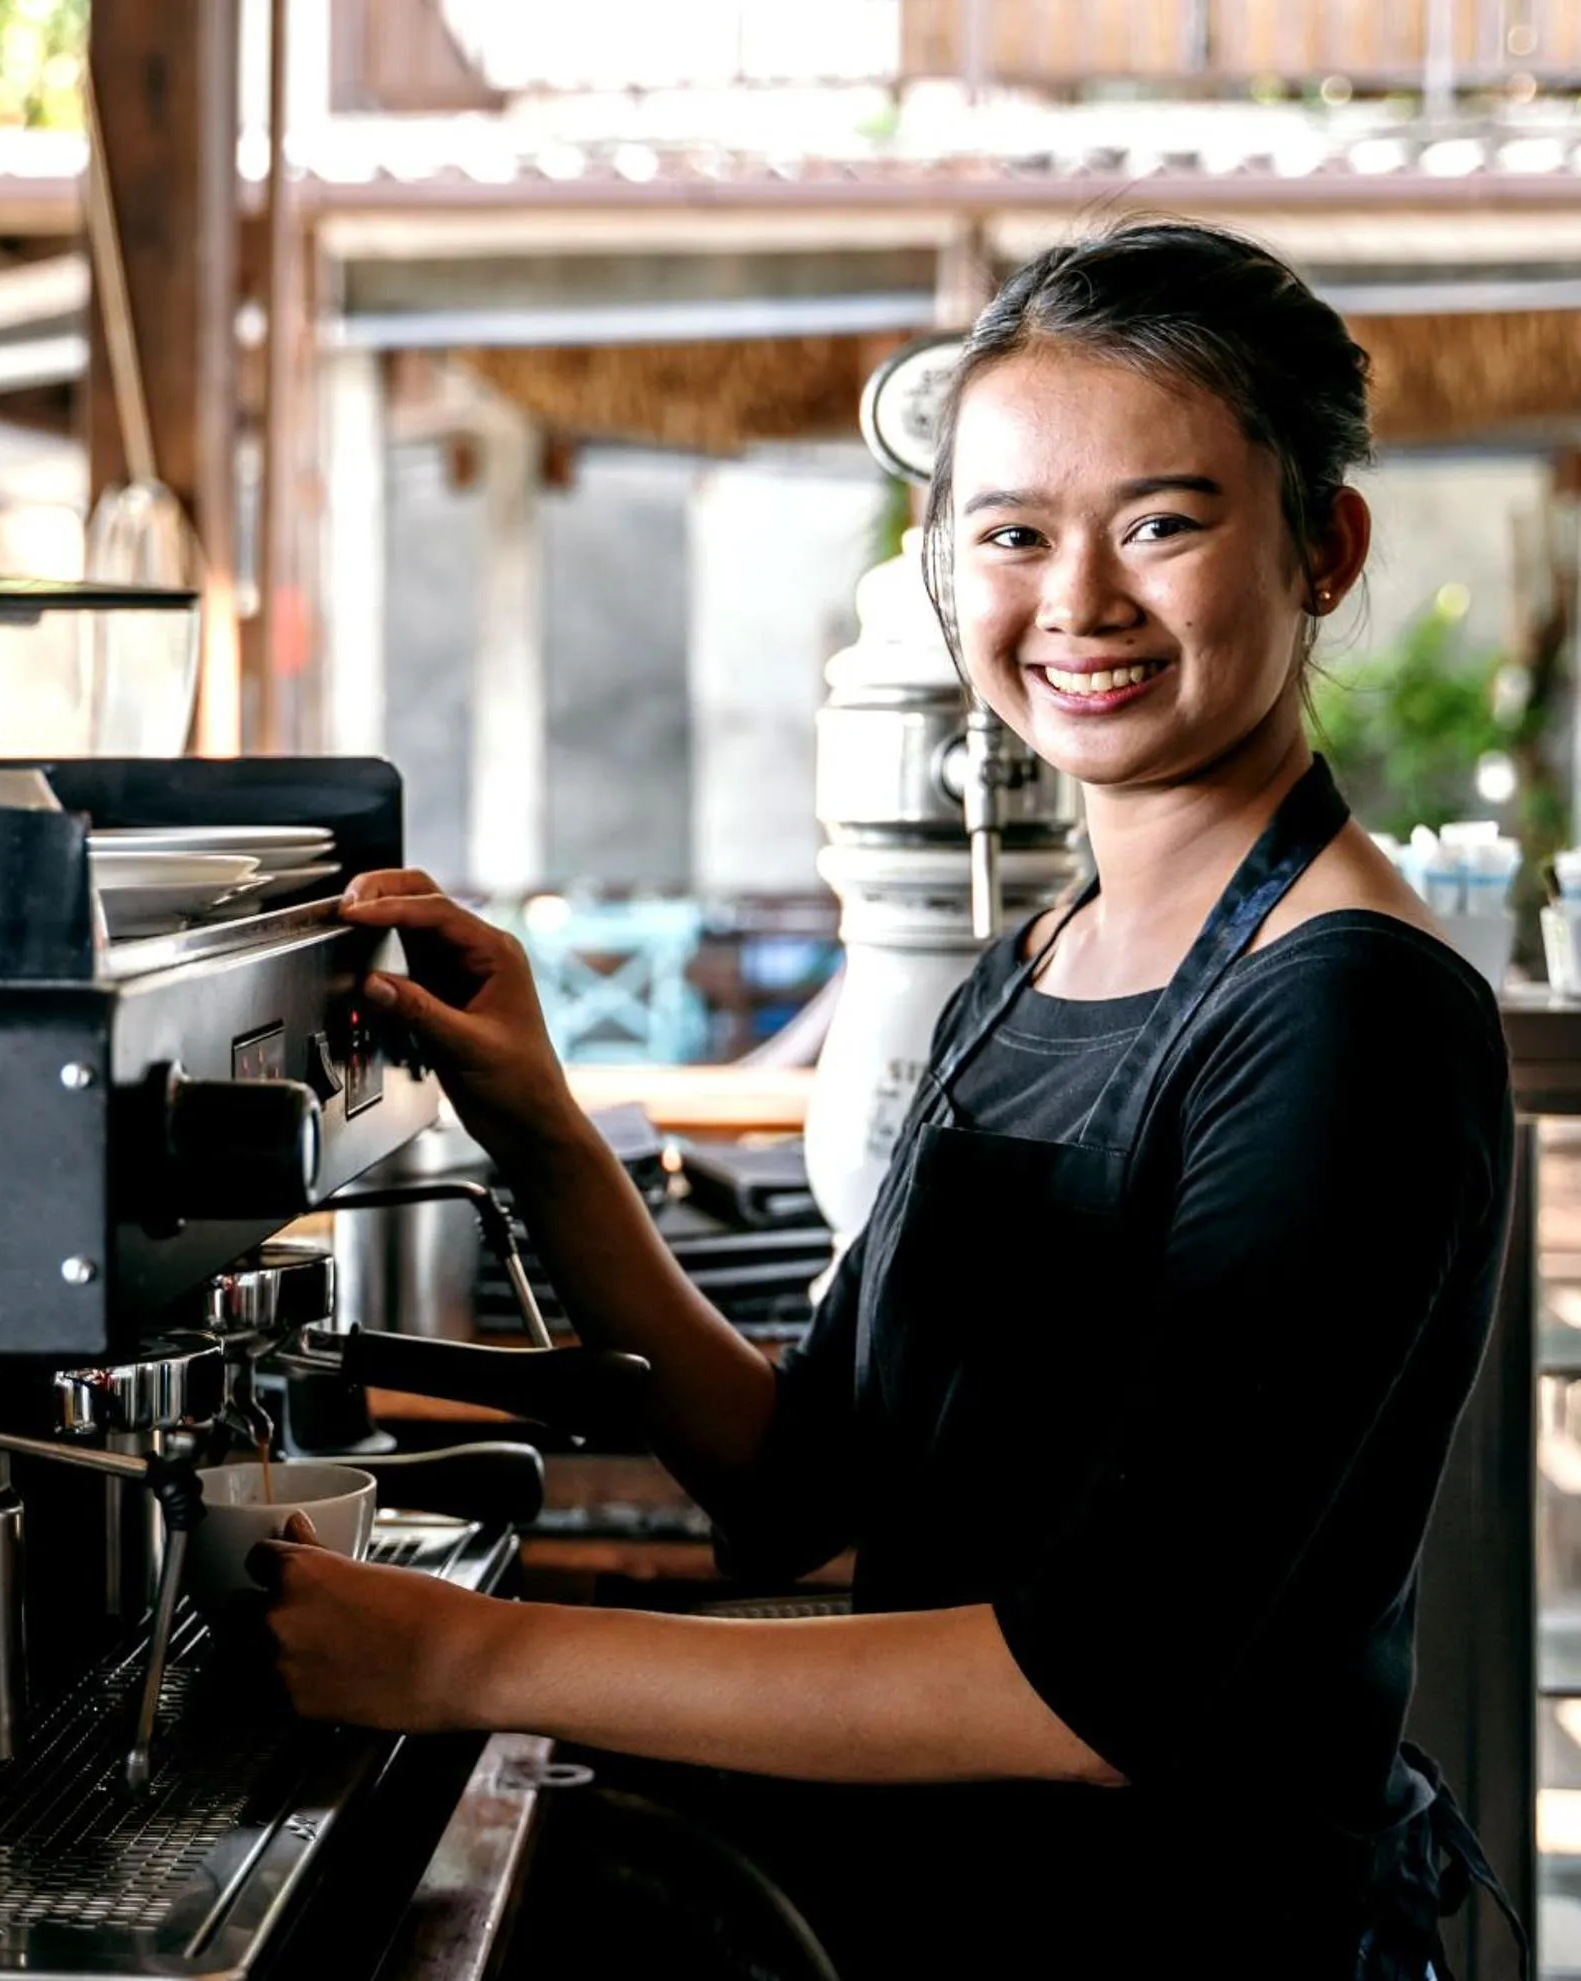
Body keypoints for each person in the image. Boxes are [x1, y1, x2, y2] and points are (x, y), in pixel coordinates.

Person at [250, 220, 1521, 1976]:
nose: (1076, 603)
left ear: (1324, 547)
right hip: (942, 1920)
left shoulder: (1348, 1017)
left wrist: (467, 1658)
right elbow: (796, 1473)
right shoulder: (1040, 959)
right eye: (1009, 534)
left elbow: (1100, 1692)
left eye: (1161, 522)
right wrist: (535, 1117)